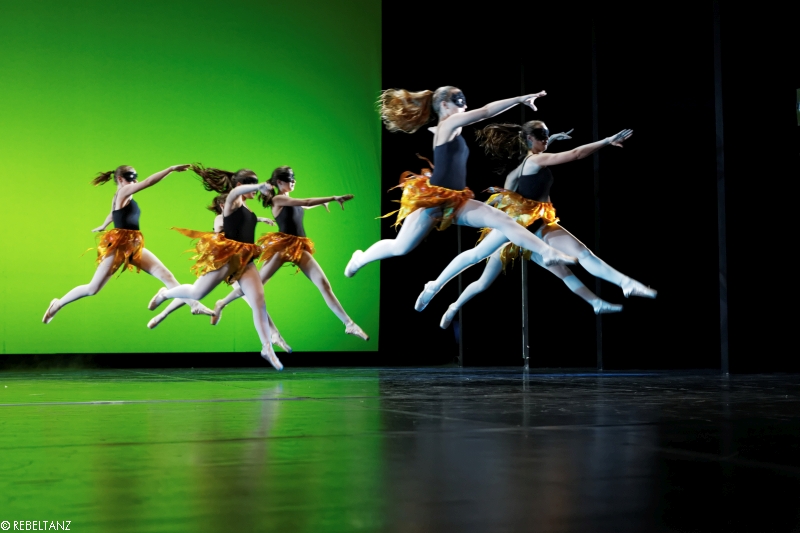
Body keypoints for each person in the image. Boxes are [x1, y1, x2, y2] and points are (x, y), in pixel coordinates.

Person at [409, 121, 656, 328]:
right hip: (519, 225)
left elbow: (538, 162)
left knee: (577, 258)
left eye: (547, 135)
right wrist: (606, 141)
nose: (546, 139)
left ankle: (620, 287)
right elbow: (576, 154)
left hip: (538, 224)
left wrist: (552, 140)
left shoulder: (529, 163)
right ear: (529, 138)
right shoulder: (532, 163)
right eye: (542, 136)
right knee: (480, 268)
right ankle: (445, 297)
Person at [344, 87, 578, 279]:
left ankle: (547, 252)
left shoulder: (452, 127)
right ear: (445, 105)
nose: (465, 106)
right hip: (434, 200)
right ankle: (360, 259)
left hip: (456, 199)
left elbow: (482, 112)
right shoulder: (448, 124)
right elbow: (485, 111)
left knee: (504, 220)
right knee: (400, 247)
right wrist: (519, 99)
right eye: (459, 101)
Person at [147, 165, 283, 370]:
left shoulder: (248, 208)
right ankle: (165, 294)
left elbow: (245, 221)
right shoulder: (232, 201)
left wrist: (261, 218)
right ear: (240, 185)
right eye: (251, 185)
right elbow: (235, 194)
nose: (255, 189)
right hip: (226, 259)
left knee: (259, 302)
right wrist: (259, 186)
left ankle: (267, 348)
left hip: (245, 260)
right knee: (197, 293)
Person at [212, 166, 369, 341]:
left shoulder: (290, 200)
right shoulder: (278, 199)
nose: (293, 182)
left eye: (294, 179)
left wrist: (322, 203)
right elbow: (307, 202)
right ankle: (222, 302)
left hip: (298, 248)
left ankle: (349, 324)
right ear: (279, 182)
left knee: (323, 284)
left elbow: (306, 205)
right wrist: (333, 198)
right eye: (290, 179)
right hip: (282, 248)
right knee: (257, 285)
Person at [42, 165, 213, 324]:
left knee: (165, 275)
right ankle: (57, 304)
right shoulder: (124, 191)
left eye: (136, 177)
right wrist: (171, 169)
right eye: (131, 177)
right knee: (92, 289)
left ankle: (194, 305)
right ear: (120, 179)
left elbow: (113, 213)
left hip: (133, 244)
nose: (135, 181)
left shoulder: (123, 195)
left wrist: (103, 224)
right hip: (119, 246)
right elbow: (148, 182)